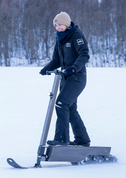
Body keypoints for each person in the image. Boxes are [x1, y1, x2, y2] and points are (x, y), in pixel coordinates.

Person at [39, 12, 91, 146]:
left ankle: (62, 139)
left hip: (77, 77)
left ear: (67, 24)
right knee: (71, 109)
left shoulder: (76, 36)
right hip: (65, 78)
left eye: (60, 24)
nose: (58, 27)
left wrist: (74, 68)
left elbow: (84, 55)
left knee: (61, 104)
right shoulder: (59, 39)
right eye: (56, 25)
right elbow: (56, 60)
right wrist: (46, 68)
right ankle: (82, 139)